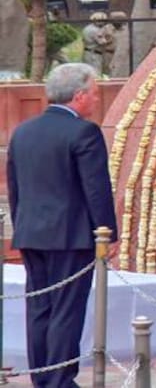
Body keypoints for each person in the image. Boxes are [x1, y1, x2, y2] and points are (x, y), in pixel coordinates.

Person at [6, 63, 117, 388]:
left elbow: (15, 188)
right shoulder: (84, 132)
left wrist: (22, 225)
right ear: (79, 95)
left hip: (31, 234)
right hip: (71, 236)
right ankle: (60, 380)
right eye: (94, 93)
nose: (96, 99)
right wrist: (107, 233)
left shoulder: (23, 132)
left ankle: (43, 378)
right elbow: (96, 189)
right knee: (67, 310)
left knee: (40, 308)